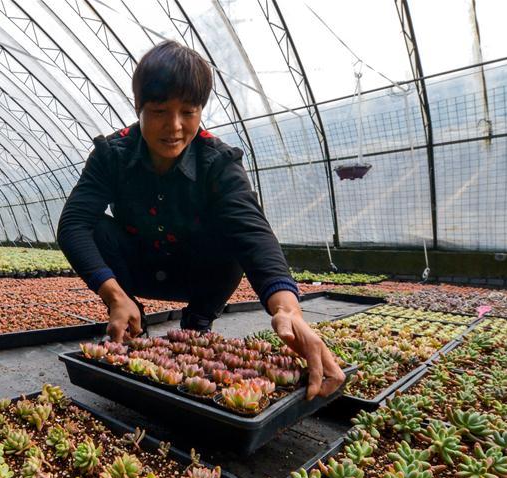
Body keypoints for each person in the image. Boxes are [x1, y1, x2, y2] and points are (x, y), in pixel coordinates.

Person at [57, 41, 345, 400]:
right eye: (160, 111)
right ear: (139, 107)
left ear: (201, 110)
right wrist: (113, 294)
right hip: (136, 268)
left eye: (188, 112)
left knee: (233, 236)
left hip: (195, 275)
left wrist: (288, 310)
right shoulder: (111, 155)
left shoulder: (218, 161)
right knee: (92, 226)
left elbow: (253, 232)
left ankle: (198, 322)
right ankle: (130, 315)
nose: (174, 127)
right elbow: (72, 224)